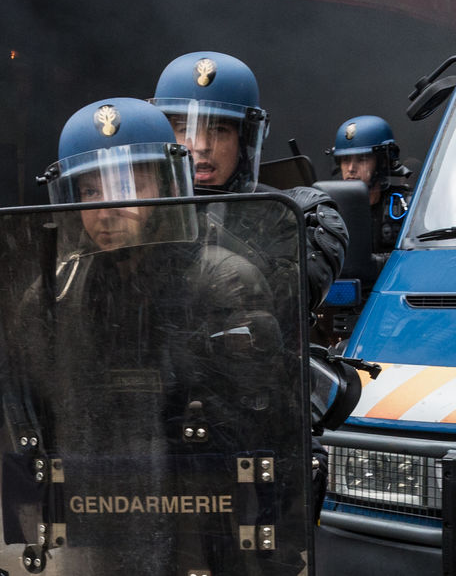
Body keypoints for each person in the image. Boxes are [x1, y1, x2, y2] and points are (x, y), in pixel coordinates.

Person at [31, 98, 290, 574]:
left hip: (203, 506)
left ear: (169, 187)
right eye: (89, 191)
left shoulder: (223, 281)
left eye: (128, 187)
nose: (106, 210)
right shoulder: (58, 291)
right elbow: (32, 402)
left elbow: (257, 425)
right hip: (100, 496)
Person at [150, 51, 346, 312]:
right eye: (185, 129)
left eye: (219, 130)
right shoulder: (138, 213)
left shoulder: (289, 215)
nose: (201, 145)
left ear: (244, 142)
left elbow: (285, 305)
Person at [327, 114, 409, 259]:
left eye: (362, 159)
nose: (351, 169)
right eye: (345, 160)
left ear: (382, 162)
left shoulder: (406, 207)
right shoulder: (329, 212)